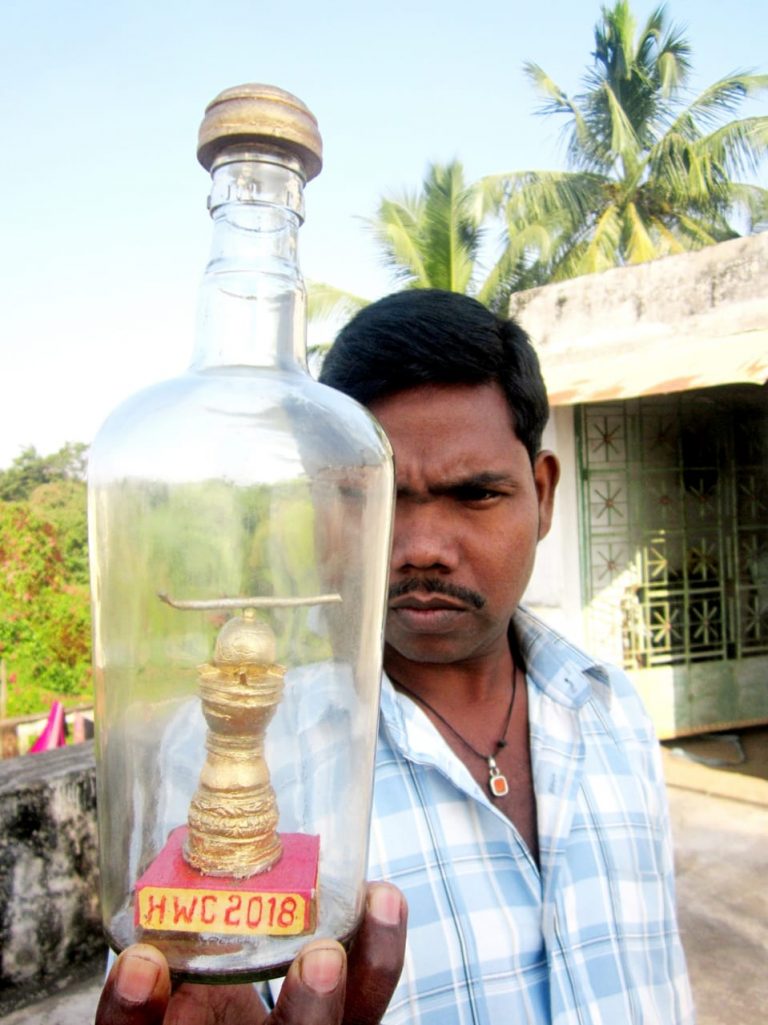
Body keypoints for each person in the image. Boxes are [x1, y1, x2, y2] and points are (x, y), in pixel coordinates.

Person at [97, 289, 694, 1024]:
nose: (422, 548)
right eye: (377, 496)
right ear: (325, 515)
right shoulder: (229, 752)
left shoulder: (613, 713)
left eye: (475, 493)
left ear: (541, 496)